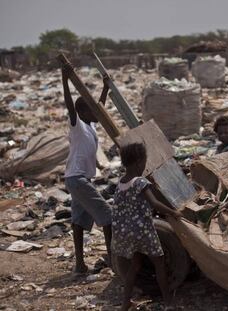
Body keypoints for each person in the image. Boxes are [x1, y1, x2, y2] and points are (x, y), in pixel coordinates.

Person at [113, 143, 182, 311]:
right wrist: (174, 213)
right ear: (138, 162)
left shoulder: (120, 184)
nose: (145, 165)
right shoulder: (140, 182)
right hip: (144, 231)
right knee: (159, 264)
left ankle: (125, 303)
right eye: (144, 161)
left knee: (134, 266)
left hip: (127, 233)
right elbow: (154, 203)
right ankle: (167, 301)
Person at [61, 63, 112, 274]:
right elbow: (69, 104)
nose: (97, 113)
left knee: (79, 222)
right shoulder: (78, 125)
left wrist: (106, 88)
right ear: (81, 112)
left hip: (79, 180)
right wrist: (65, 79)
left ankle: (80, 265)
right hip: (78, 179)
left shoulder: (90, 125)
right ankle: (113, 260)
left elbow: (98, 106)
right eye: (90, 109)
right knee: (108, 216)